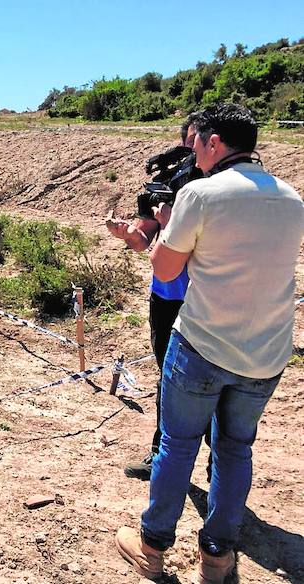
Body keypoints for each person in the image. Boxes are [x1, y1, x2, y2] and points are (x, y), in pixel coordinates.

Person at [115, 104, 304, 583]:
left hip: (202, 342)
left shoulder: (199, 194)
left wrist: (164, 220)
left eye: (196, 141)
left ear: (214, 143)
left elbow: (165, 269)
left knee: (177, 447)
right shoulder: (292, 198)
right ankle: (218, 555)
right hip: (267, 352)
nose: (191, 150)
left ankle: (153, 544)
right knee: (236, 449)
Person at [106, 116, 201, 480]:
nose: (194, 148)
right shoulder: (170, 180)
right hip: (166, 295)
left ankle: (209, 462)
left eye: (200, 140)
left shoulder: (217, 188)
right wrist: (127, 234)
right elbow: (145, 239)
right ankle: (160, 452)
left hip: (203, 294)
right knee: (167, 374)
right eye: (190, 139)